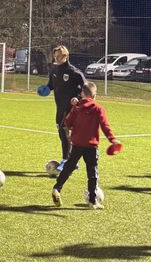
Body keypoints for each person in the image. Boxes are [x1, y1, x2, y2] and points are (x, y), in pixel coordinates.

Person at [51, 81, 119, 209]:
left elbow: (67, 123)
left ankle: (57, 188)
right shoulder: (98, 108)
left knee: (69, 167)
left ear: (82, 94)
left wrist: (73, 127)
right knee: (92, 172)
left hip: (77, 144)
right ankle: (92, 201)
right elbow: (105, 126)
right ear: (94, 95)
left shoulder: (77, 108)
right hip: (91, 146)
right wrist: (112, 140)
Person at [46, 45, 85, 171]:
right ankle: (72, 160)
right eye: (55, 56)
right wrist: (45, 89)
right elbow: (51, 85)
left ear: (66, 56)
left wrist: (78, 98)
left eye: (59, 56)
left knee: (64, 132)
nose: (56, 58)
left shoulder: (74, 72)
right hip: (59, 107)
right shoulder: (54, 70)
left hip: (71, 108)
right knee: (62, 133)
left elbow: (86, 89)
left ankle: (66, 160)